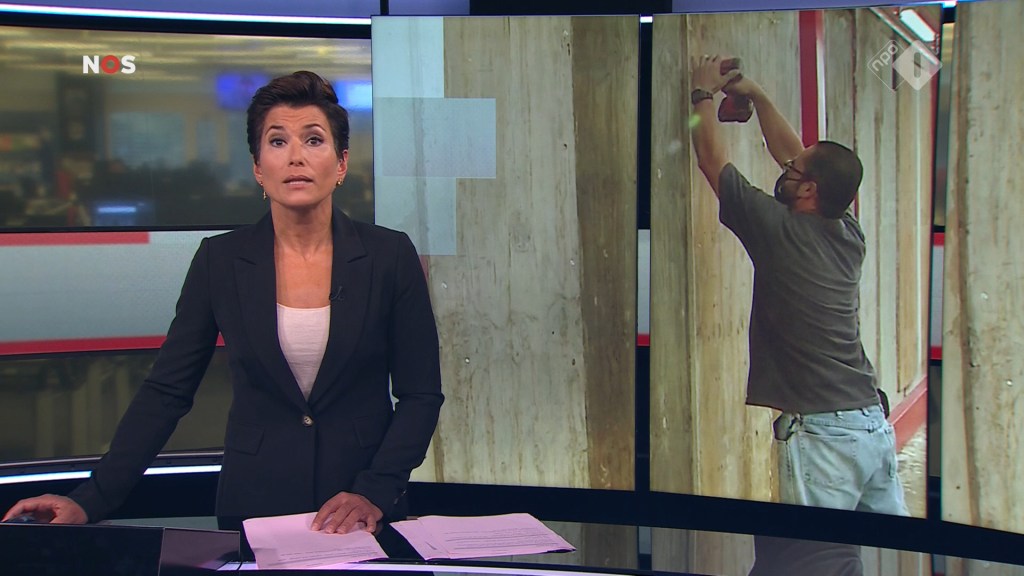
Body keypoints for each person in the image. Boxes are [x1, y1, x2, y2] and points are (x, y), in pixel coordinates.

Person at [2, 71, 444, 537]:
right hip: (254, 502)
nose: (295, 156)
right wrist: (90, 499)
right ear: (258, 168)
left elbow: (420, 394)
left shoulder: (389, 255)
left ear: (341, 163)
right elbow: (167, 392)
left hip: (361, 510)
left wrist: (374, 491)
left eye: (314, 140)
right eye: (277, 142)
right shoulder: (221, 260)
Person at [687, 55, 908, 517]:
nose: (785, 167)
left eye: (794, 169)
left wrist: (701, 94)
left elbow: (710, 159)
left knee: (815, 552)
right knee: (891, 550)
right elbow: (796, 155)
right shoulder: (847, 232)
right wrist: (756, 94)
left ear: (808, 190)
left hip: (824, 438)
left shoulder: (777, 230)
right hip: (871, 424)